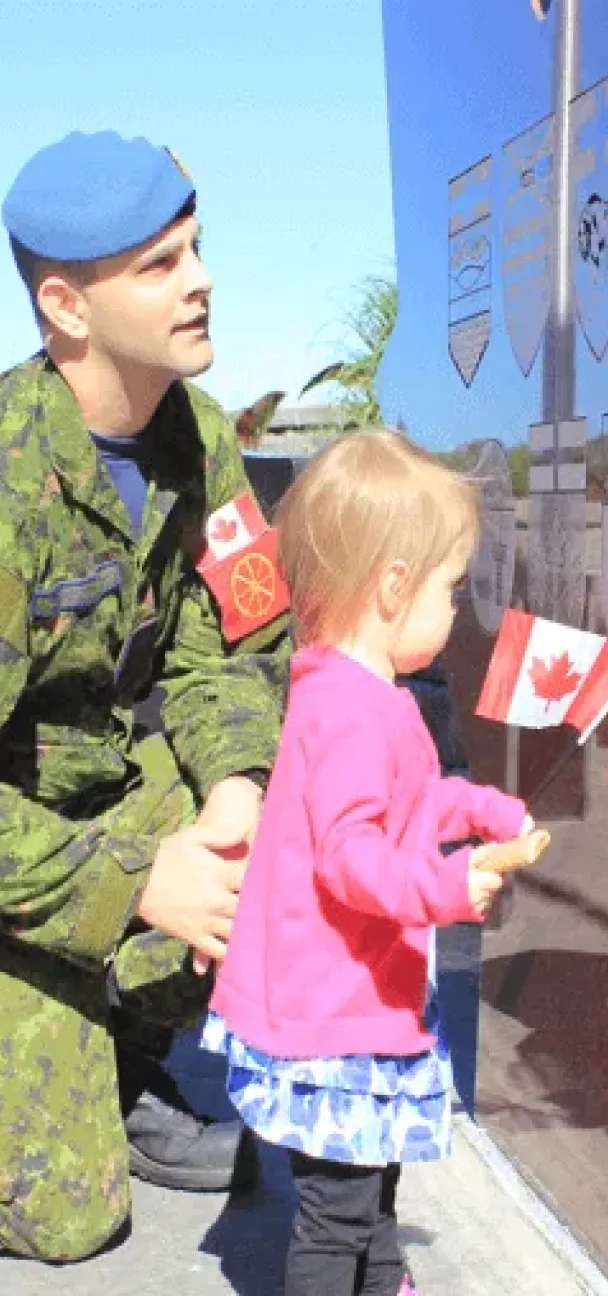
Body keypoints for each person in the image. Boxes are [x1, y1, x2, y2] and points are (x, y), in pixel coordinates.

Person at [0, 131, 291, 1262]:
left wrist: (235, 790)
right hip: (21, 853)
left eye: (197, 249)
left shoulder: (200, 436)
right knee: (71, 1218)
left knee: (287, 806)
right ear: (67, 306)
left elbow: (241, 646)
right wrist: (134, 881)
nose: (201, 280)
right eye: (160, 264)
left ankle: (117, 1053)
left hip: (102, 803)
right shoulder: (10, 481)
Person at [202, 430, 532, 1296]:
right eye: (449, 588)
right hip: (335, 1015)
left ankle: (382, 1282)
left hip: (353, 1003)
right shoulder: (349, 712)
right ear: (392, 587)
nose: (455, 610)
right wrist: (446, 887)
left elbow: (410, 803)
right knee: (338, 1211)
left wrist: (481, 810)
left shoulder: (362, 693)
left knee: (371, 1180)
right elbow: (352, 858)